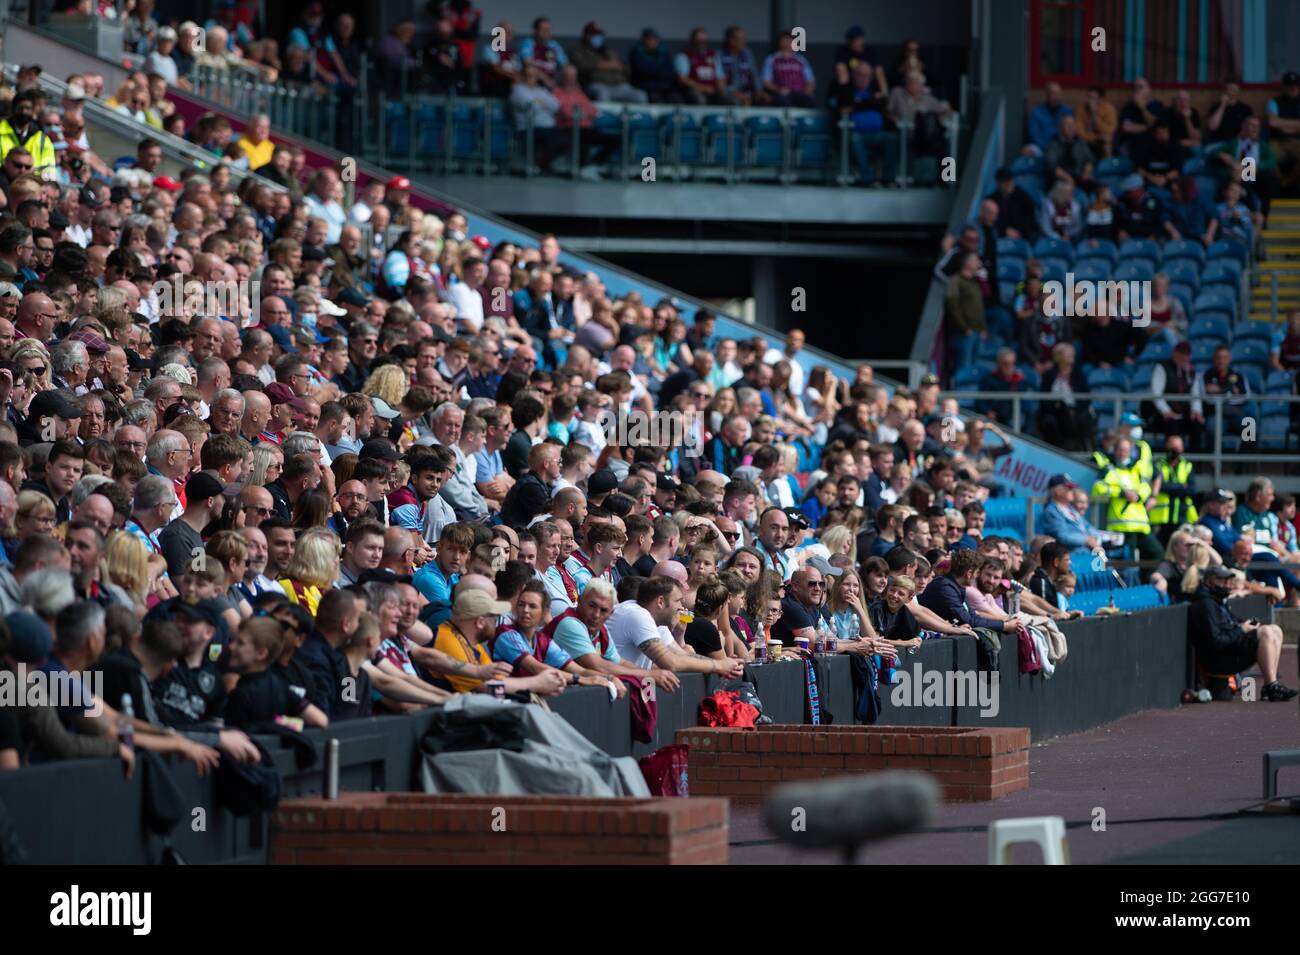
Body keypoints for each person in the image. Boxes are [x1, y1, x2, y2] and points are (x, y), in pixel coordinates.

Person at [1187, 565, 1295, 701]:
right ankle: (1271, 686)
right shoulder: (1205, 604)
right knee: (1265, 632)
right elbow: (1216, 641)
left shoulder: (1216, 600)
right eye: (1222, 580)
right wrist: (1242, 629)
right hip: (1218, 660)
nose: (1227, 584)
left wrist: (1247, 625)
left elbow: (1230, 623)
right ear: (1210, 581)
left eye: (1228, 580)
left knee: (1275, 629)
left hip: (1228, 650)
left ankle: (1270, 686)